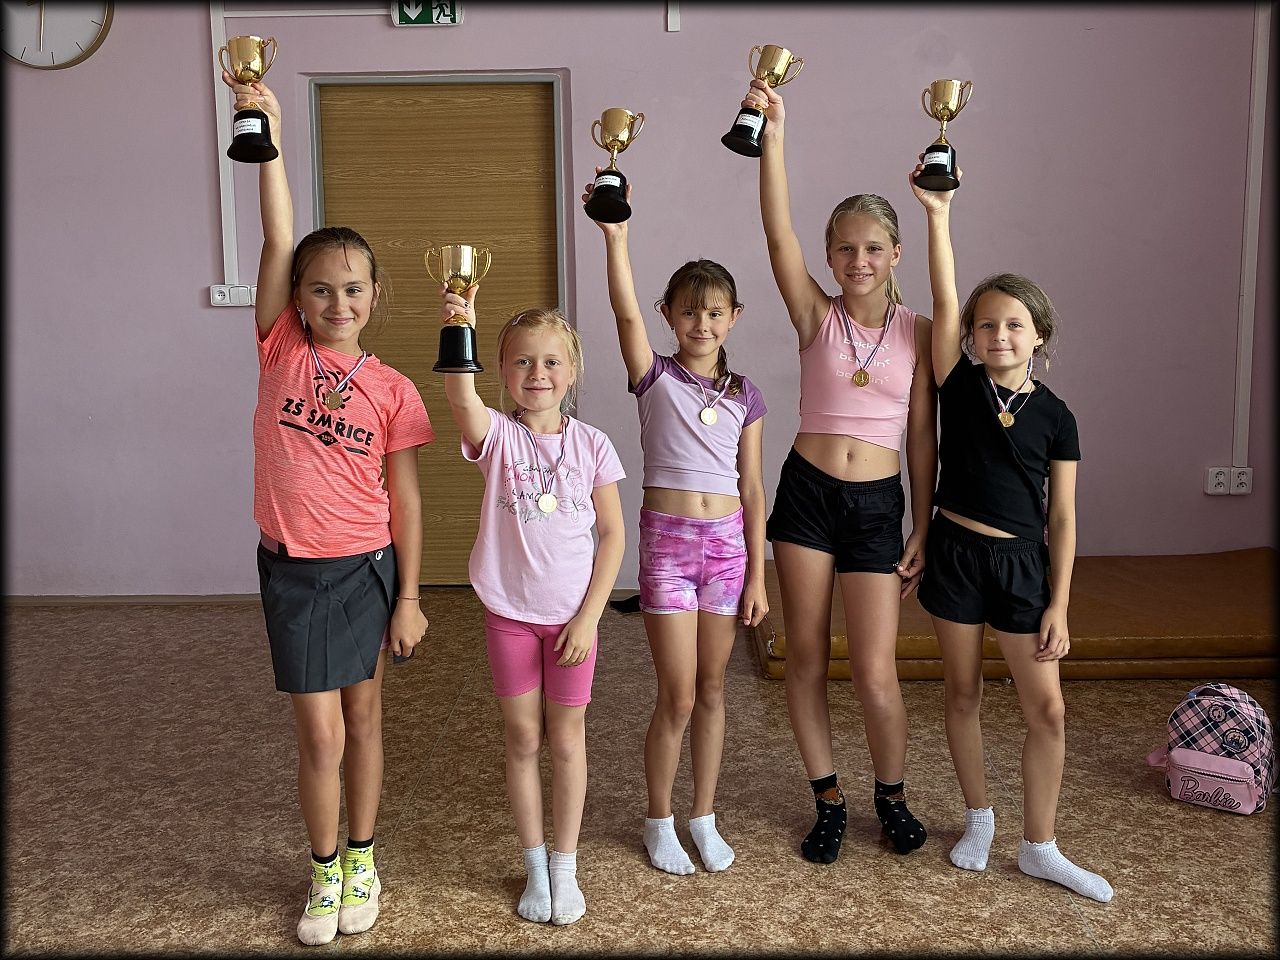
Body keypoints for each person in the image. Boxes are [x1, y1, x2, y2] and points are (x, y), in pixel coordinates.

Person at [224, 71, 436, 945]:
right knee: (318, 735)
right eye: (319, 289)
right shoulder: (279, 347)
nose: (336, 303)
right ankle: (321, 873)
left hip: (366, 568)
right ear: (296, 299)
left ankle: (361, 858)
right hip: (292, 570)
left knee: (363, 718)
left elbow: (405, 497)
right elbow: (279, 233)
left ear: (375, 297)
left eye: (352, 289)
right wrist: (267, 131)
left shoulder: (392, 389)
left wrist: (411, 596)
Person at [743, 76, 937, 862]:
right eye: (845, 248)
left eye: (873, 248)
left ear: (895, 254)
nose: (858, 259)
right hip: (806, 496)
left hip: (876, 504)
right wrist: (774, 133)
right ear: (829, 256)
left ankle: (891, 796)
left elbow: (921, 435)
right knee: (806, 659)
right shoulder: (814, 313)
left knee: (877, 673)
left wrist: (921, 519)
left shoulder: (919, 330)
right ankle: (827, 799)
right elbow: (776, 232)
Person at [911, 161, 1113, 902]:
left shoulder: (1057, 416)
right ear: (970, 336)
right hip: (956, 555)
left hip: (1025, 569)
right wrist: (938, 215)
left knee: (1047, 709)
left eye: (1014, 324)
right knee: (961, 693)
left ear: (1039, 335)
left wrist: (1059, 602)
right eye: (987, 324)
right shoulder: (958, 384)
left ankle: (1040, 845)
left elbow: (1063, 516)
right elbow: (942, 295)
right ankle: (978, 817)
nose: (999, 334)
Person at [583, 175, 769, 875]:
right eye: (689, 312)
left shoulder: (745, 394)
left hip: (727, 550)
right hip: (668, 547)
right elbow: (623, 313)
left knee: (715, 690)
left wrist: (758, 575)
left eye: (715, 313)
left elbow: (753, 485)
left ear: (734, 316)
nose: (702, 324)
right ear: (669, 314)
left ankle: (703, 816)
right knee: (679, 693)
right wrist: (616, 236)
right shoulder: (655, 376)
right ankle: (659, 819)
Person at [439, 284, 625, 924]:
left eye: (550, 362)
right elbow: (460, 398)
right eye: (522, 361)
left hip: (575, 623)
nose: (537, 373)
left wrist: (590, 617)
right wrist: (459, 327)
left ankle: (566, 864)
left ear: (572, 372)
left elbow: (612, 535)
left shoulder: (594, 445)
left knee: (567, 740)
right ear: (502, 370)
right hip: (511, 617)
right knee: (522, 737)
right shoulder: (498, 437)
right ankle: (535, 862)